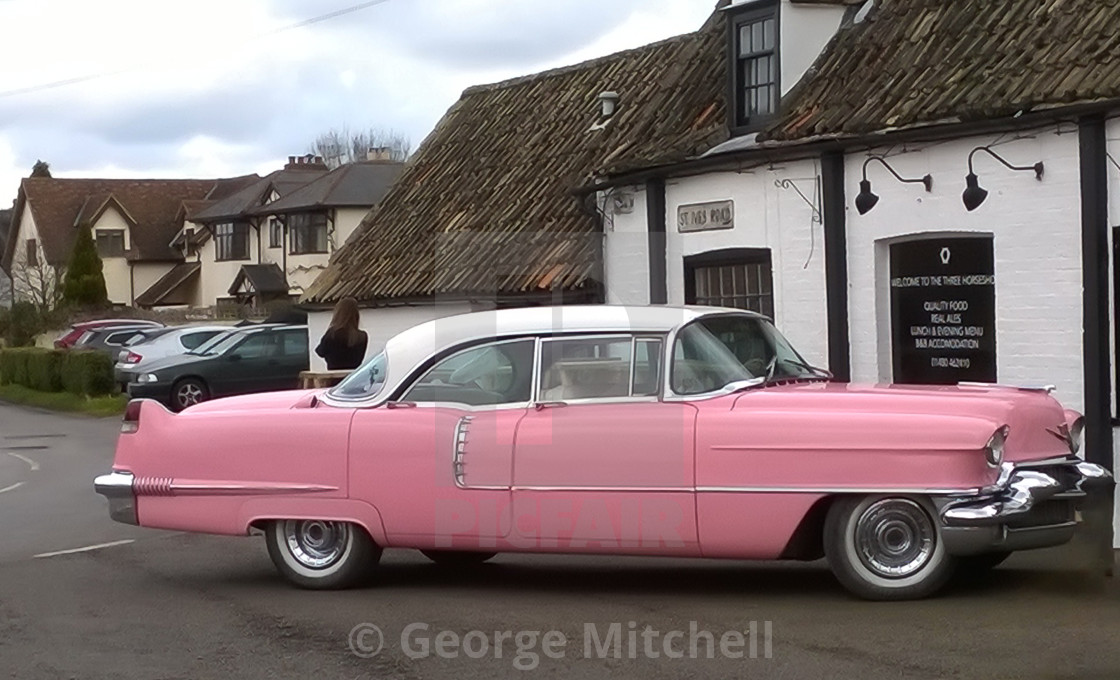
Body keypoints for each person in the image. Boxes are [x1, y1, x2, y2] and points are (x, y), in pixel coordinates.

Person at [315, 297, 368, 370]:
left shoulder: (332, 333)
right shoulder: (362, 336)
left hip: (333, 377)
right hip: (353, 377)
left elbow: (320, 351)